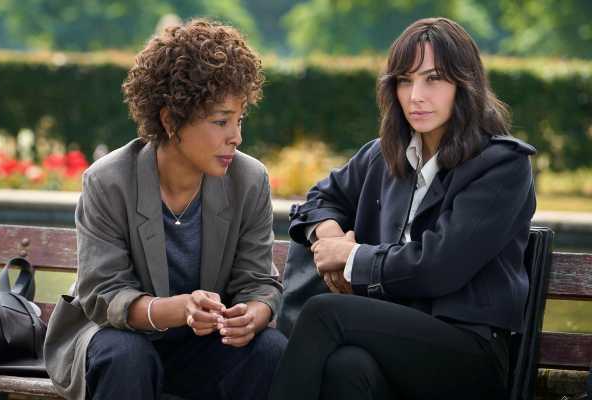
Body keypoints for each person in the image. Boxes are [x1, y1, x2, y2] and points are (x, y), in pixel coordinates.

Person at [269, 17, 536, 400]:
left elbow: (439, 266)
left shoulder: (502, 166)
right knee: (348, 367)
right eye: (405, 81)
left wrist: (352, 258)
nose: (416, 96)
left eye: (433, 79)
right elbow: (316, 202)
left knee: (324, 313)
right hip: (391, 336)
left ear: (465, 84)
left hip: (468, 351)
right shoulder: (383, 156)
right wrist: (329, 238)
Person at [43, 19, 286, 400]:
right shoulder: (108, 181)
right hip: (117, 338)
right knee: (127, 357)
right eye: (221, 121)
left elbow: (257, 281)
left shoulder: (249, 180)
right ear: (171, 120)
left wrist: (253, 314)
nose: (236, 137)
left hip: (200, 348)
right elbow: (105, 294)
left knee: (269, 350)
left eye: (239, 120)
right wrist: (177, 309)